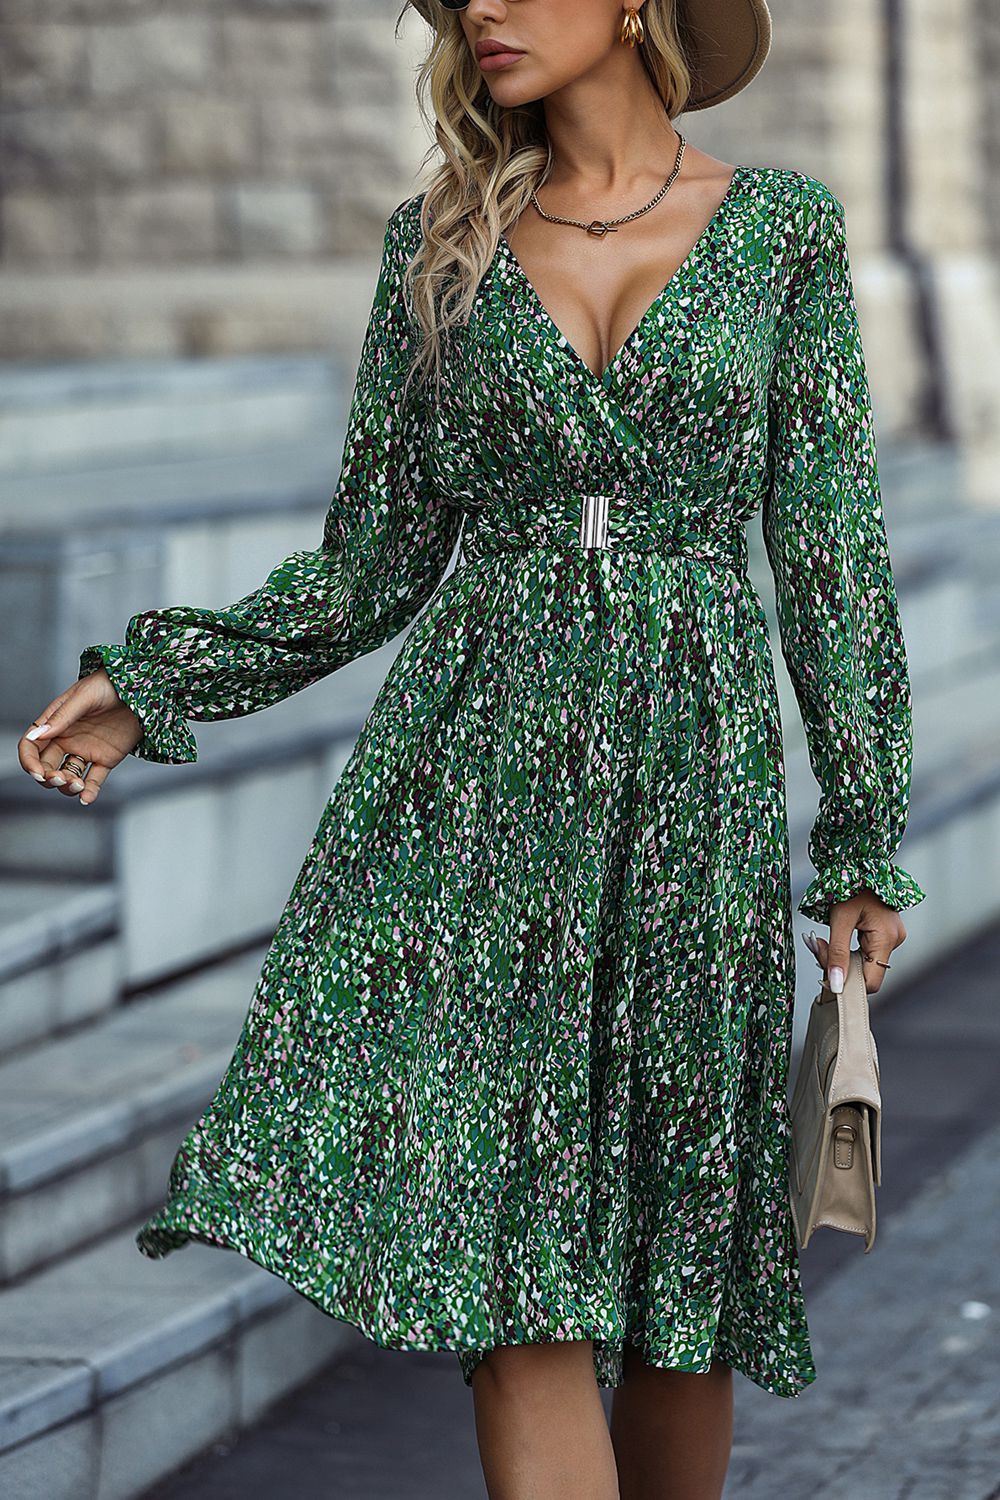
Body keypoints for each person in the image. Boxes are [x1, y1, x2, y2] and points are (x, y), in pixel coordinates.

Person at [17, 1, 927, 1495]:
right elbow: (368, 563)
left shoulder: (783, 232)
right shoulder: (433, 241)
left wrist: (864, 834)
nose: (481, 12)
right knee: (514, 1288)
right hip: (471, 801)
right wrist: (159, 675)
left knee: (681, 1292)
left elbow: (832, 554)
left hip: (689, 792)